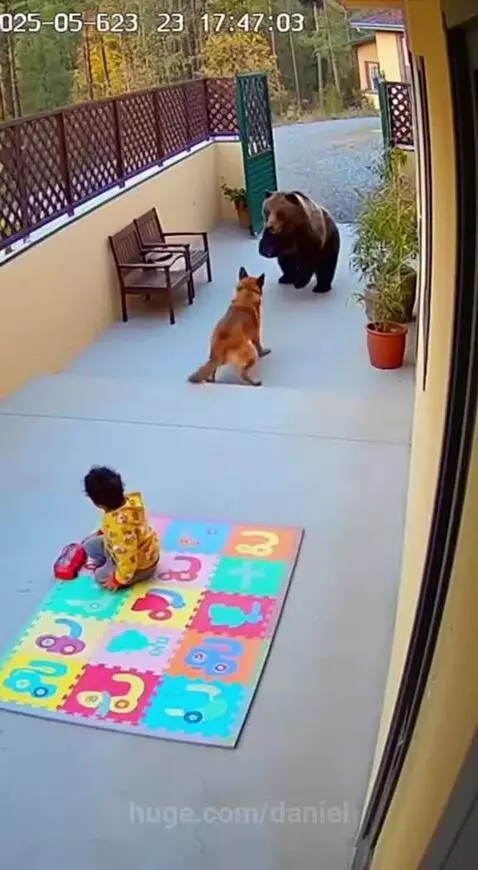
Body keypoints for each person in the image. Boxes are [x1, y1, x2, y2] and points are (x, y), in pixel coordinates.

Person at [82, 466, 159, 592]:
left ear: (97, 503)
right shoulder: (128, 502)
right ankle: (109, 562)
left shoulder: (119, 530)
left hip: (140, 565)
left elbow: (128, 558)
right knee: (88, 546)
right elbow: (116, 525)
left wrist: (118, 580)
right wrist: (104, 531)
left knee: (99, 576)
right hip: (126, 548)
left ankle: (113, 568)